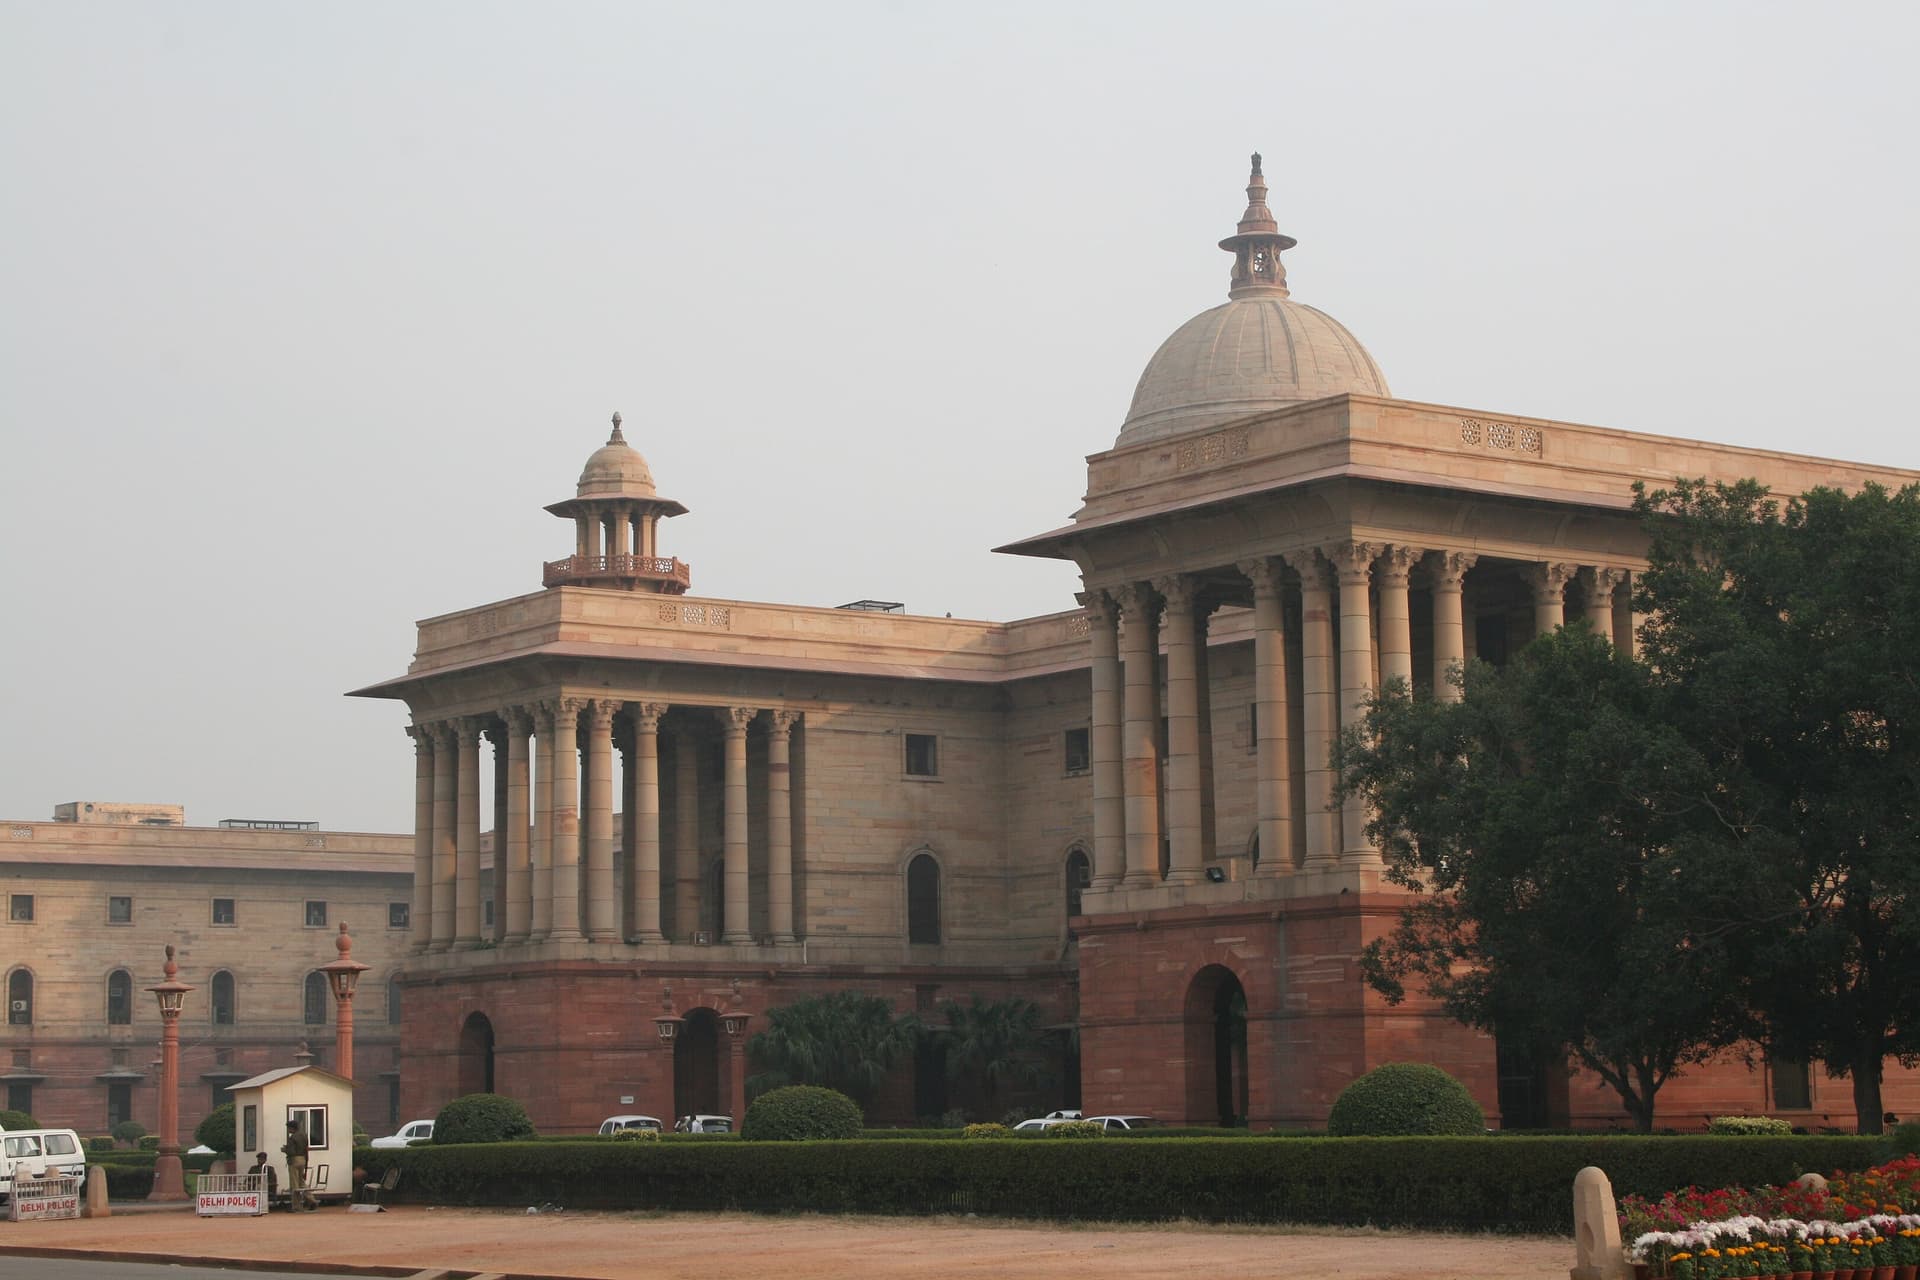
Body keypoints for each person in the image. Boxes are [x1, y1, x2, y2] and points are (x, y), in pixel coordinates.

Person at [281, 1119, 316, 1210]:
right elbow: (306, 1149)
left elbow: (291, 1151)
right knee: (301, 1182)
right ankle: (312, 1200)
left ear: (292, 1128)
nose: (288, 1130)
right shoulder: (304, 1135)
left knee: (294, 1184)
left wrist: (285, 1150)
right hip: (302, 1159)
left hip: (294, 1160)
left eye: (289, 1128)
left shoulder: (292, 1138)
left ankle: (296, 1206)